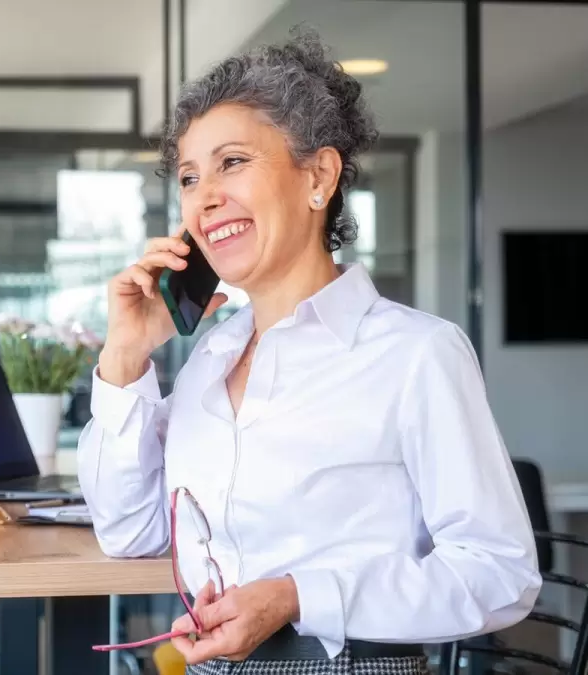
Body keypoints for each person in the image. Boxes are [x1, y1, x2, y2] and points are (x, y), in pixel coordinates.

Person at [76, 28, 541, 675]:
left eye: (232, 162)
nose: (205, 196)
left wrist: (299, 596)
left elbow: (501, 573)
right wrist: (125, 356)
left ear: (319, 175)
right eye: (189, 176)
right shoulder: (211, 360)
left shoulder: (417, 354)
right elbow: (130, 532)